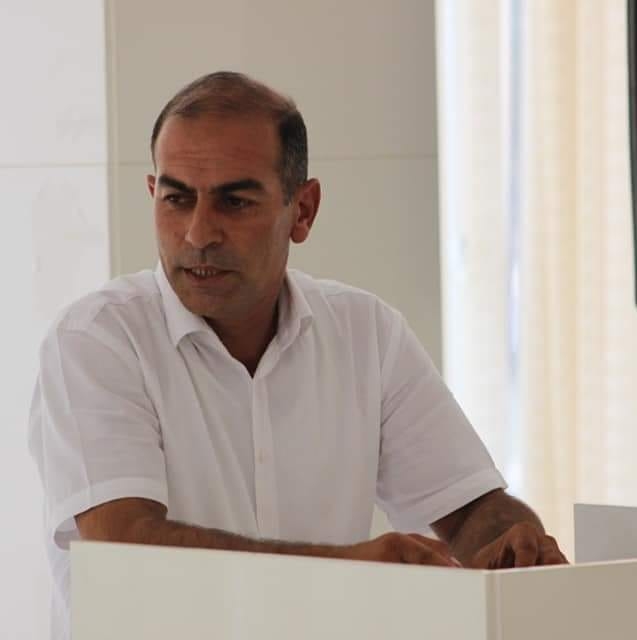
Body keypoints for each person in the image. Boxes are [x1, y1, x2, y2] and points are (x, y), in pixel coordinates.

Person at [29, 71, 566, 639]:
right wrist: (348, 570)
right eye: (177, 198)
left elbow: (470, 508)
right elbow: (125, 547)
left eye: (235, 201)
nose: (198, 233)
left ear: (303, 210)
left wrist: (513, 547)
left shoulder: (367, 332)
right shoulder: (96, 340)